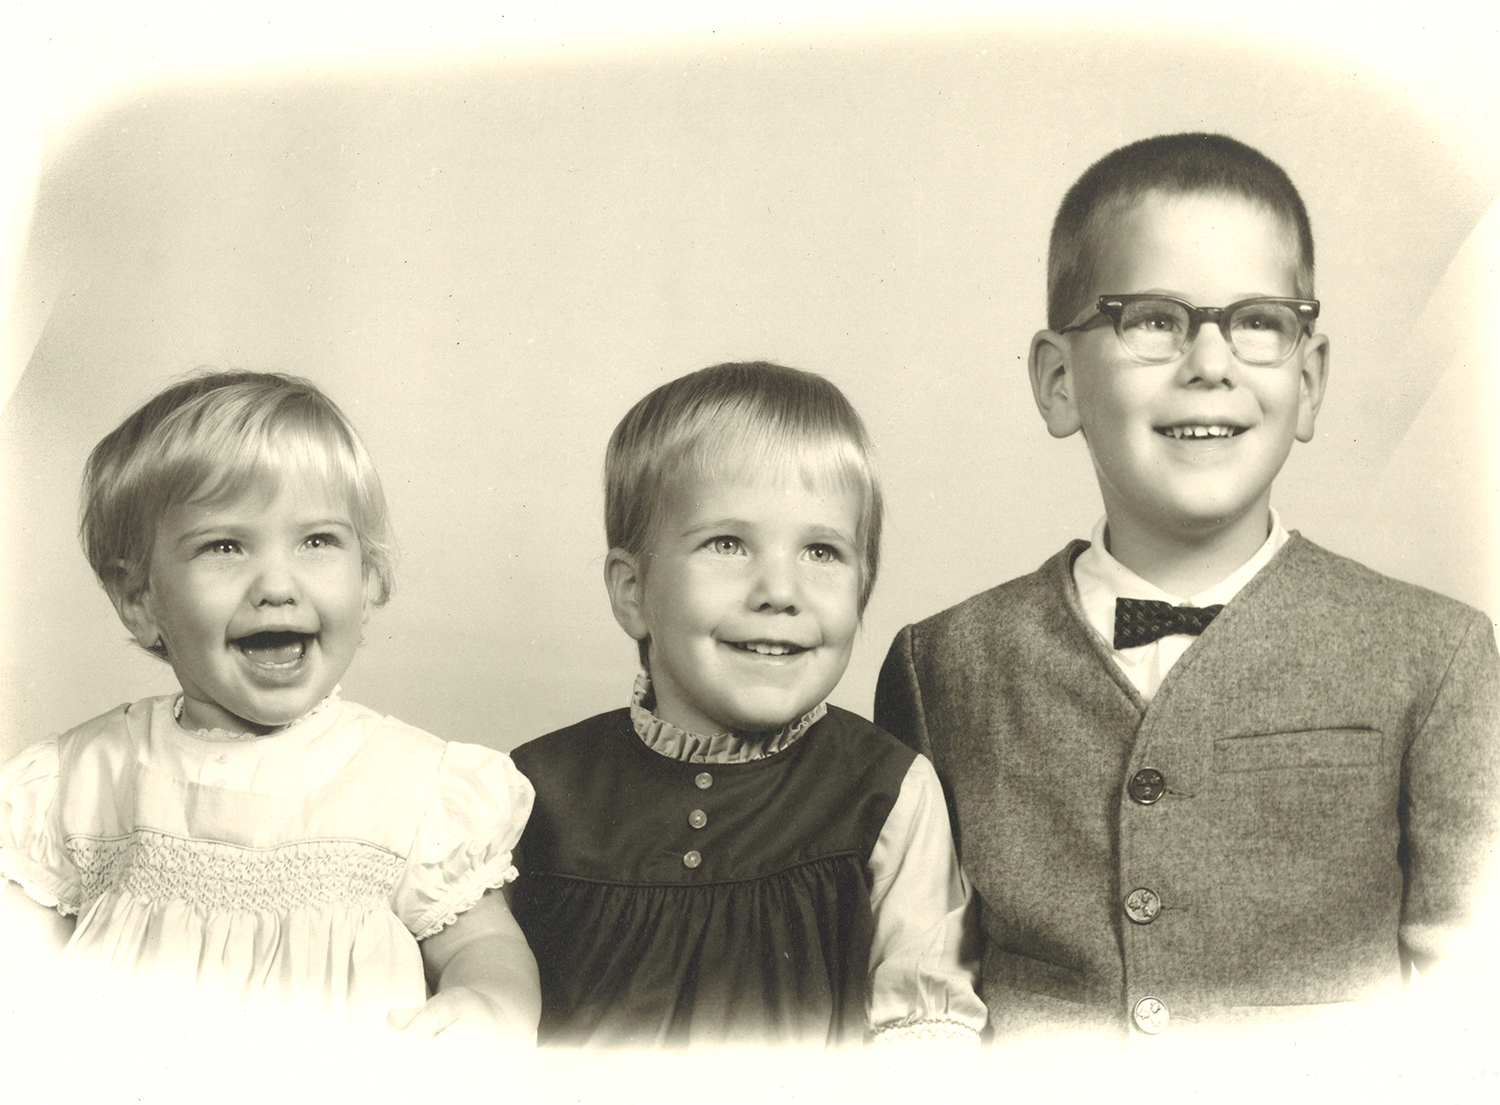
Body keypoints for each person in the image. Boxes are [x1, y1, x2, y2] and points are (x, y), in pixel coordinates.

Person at [874, 133, 1500, 1039]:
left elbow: (1473, 1006)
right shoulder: (943, 665)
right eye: (1156, 318)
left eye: (1258, 320)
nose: (1211, 361)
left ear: (1309, 379)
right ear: (1058, 383)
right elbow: (918, 988)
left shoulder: (1436, 655)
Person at [0, 371, 539, 1038]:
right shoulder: (84, 777)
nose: (277, 585)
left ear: (369, 577)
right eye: (225, 546)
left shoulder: (411, 785)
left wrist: (488, 1003)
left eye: (317, 541)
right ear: (140, 598)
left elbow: (479, 944)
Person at [507, 361, 985, 1046]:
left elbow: (925, 1023)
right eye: (727, 543)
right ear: (633, 591)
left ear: (863, 590)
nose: (779, 590)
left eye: (822, 550)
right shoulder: (532, 792)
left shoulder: (885, 792)